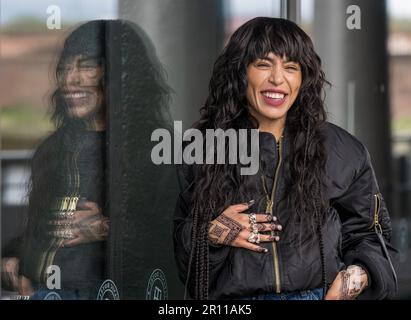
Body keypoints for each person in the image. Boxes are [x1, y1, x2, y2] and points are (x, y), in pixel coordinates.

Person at [173, 17, 398, 300]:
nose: (278, 79)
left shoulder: (343, 150)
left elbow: (371, 236)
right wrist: (211, 233)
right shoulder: (202, 148)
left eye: (291, 67)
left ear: (303, 78)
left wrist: (353, 277)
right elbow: (183, 263)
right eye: (263, 64)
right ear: (240, 72)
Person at [18, 19, 179, 299]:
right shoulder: (51, 150)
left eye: (87, 66)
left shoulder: (160, 147)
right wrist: (23, 264)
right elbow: (37, 235)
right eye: (66, 68)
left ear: (121, 74)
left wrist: (107, 229)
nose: (71, 80)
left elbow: (178, 240)